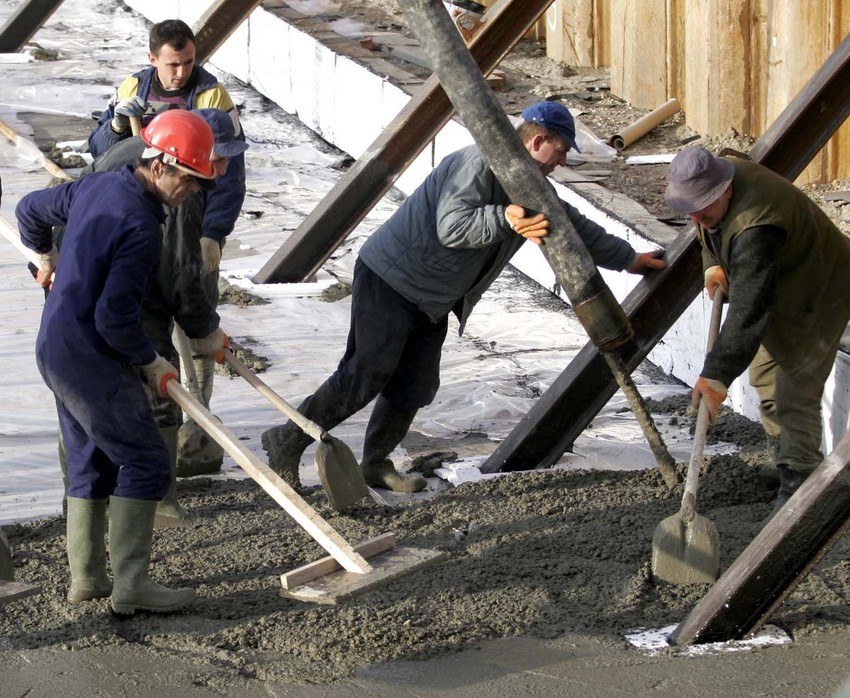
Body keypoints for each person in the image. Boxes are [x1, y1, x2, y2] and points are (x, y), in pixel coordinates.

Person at [262, 101, 667, 492]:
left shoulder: (529, 183)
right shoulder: (476, 164)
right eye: (560, 151)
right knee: (366, 373)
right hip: (392, 278)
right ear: (537, 140)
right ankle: (288, 439)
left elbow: (572, 228)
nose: (561, 162)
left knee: (415, 385)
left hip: (433, 297)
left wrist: (630, 259)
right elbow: (452, 227)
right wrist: (503, 218)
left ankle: (375, 463)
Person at [16, 110, 228, 614]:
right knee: (146, 460)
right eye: (189, 179)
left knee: (89, 462)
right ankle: (132, 588)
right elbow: (114, 319)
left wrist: (44, 256)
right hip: (92, 357)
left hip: (54, 347)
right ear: (159, 165)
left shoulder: (95, 187)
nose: (193, 191)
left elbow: (28, 209)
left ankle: (87, 580)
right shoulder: (140, 228)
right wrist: (153, 363)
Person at [54, 108, 248, 527]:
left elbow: (51, 206)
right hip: (127, 297)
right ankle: (158, 502)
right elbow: (179, 273)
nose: (226, 167)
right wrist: (203, 331)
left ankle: (84, 507)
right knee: (159, 392)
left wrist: (48, 257)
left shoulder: (139, 153)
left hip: (75, 291)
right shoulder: (179, 185)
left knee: (79, 404)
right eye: (221, 156)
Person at [88, 20, 246, 472]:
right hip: (148, 236)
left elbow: (228, 174)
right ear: (153, 58)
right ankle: (156, 470)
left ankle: (196, 439)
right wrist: (118, 120)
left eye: (189, 63)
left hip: (187, 224)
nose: (181, 73)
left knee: (195, 344)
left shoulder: (213, 99)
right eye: (173, 64)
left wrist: (213, 234)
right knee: (160, 342)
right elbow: (101, 148)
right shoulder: (133, 90)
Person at [665, 146, 850, 512]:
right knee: (765, 377)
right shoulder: (717, 180)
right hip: (779, 283)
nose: (698, 219)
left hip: (819, 288)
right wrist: (711, 265)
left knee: (794, 387)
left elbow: (750, 306)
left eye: (704, 210)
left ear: (726, 191)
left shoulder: (757, 226)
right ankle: (784, 460)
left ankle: (801, 480)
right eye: (692, 213)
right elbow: (711, 233)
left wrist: (715, 375)